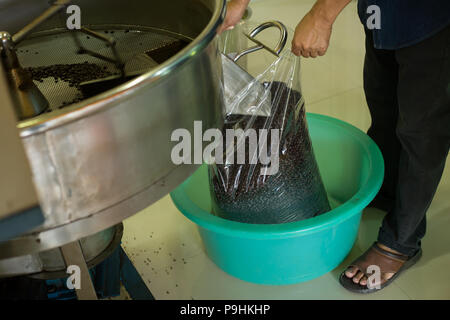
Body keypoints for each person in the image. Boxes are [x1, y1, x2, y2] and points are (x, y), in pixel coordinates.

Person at [219, 0, 450, 293]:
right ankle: (389, 191)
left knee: (422, 132)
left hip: (431, 18)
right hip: (384, 13)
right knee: (385, 106)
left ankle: (401, 242)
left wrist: (321, 17)